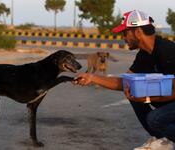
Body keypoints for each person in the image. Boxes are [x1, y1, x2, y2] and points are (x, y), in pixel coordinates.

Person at [74, 10, 175, 150]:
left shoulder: (167, 51)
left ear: (138, 32)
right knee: (133, 92)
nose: (123, 37)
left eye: (125, 33)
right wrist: (92, 77)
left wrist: (146, 98)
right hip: (169, 104)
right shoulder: (144, 55)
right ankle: (164, 141)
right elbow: (125, 82)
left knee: (155, 118)